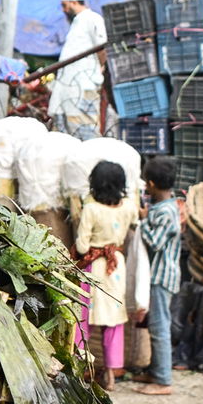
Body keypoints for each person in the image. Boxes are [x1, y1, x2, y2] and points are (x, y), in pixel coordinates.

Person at [74, 157, 137, 389]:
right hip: (116, 267)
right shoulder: (129, 207)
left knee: (83, 319)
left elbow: (81, 246)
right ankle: (110, 374)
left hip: (94, 268)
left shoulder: (90, 209)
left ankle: (80, 369)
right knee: (114, 321)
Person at [133, 154, 181, 396]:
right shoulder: (163, 207)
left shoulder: (166, 212)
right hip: (158, 277)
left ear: (150, 184)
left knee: (160, 327)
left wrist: (142, 222)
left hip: (162, 278)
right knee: (155, 325)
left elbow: (155, 242)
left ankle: (163, 380)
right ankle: (155, 370)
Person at [49, 0, 108, 139]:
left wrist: (101, 67)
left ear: (74, 2)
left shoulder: (92, 18)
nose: (63, 10)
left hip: (83, 84)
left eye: (64, 5)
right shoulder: (77, 23)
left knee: (84, 130)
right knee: (64, 132)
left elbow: (102, 47)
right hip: (67, 87)